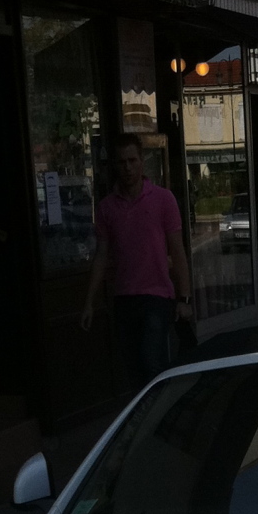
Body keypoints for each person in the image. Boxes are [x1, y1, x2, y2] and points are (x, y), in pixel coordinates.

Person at [81, 133, 193, 388]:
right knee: (133, 369)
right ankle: (143, 421)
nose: (127, 167)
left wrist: (184, 299)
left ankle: (158, 420)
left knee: (152, 361)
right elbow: (101, 256)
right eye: (122, 162)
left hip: (156, 297)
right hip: (124, 299)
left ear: (143, 162)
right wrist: (89, 302)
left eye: (132, 160)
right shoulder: (107, 208)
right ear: (115, 166)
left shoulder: (163, 200)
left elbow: (177, 250)